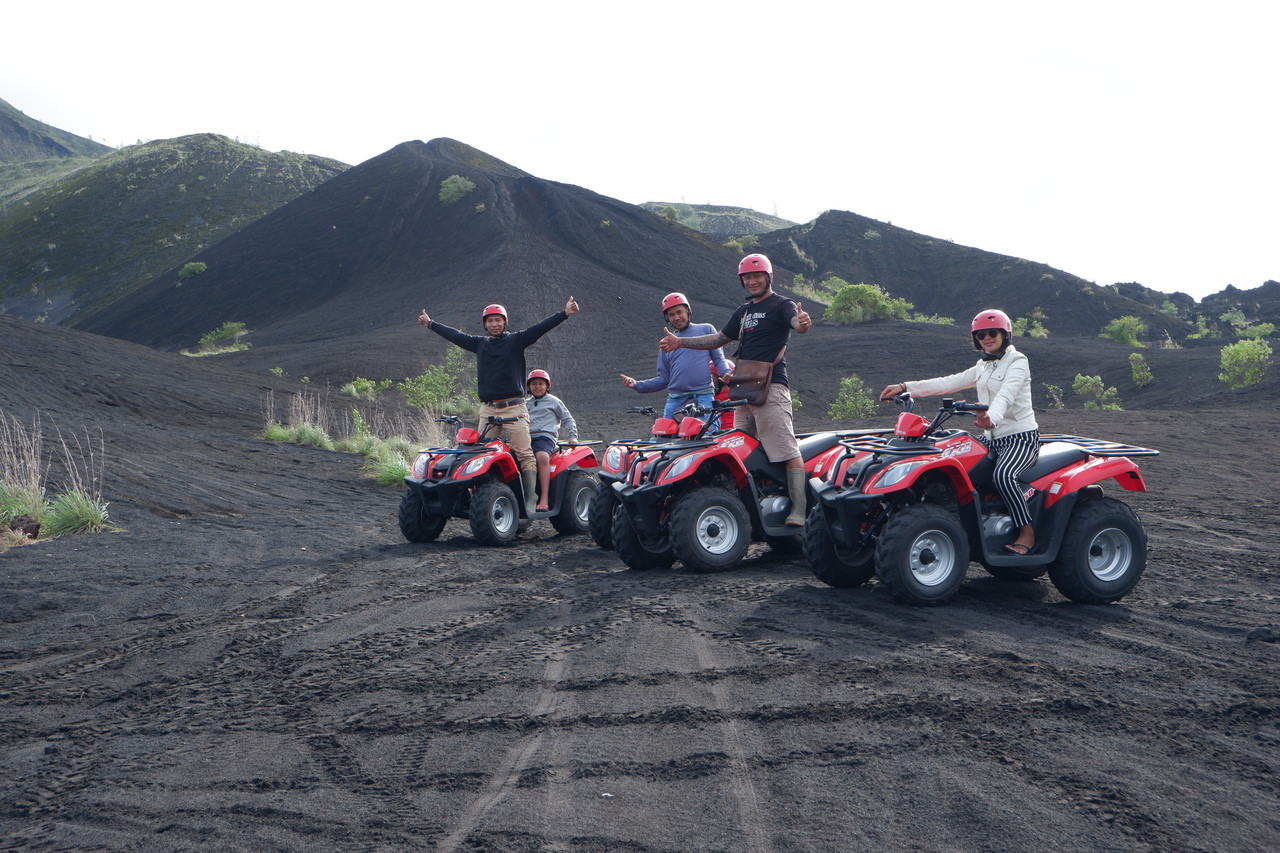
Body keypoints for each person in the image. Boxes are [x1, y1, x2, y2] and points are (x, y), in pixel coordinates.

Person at [659, 254, 813, 526]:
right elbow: (718, 339)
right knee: (741, 448)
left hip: (771, 385)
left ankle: (799, 509)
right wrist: (681, 343)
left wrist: (801, 323)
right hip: (743, 391)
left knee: (786, 447)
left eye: (757, 276)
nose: (752, 281)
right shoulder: (742, 313)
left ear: (769, 277)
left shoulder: (782, 305)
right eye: (747, 278)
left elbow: (796, 324)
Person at [879, 308, 1040, 555]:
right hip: (991, 439)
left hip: (1020, 438)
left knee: (1003, 476)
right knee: (950, 460)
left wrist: (991, 418)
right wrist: (905, 386)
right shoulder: (982, 366)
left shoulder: (1018, 361)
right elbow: (947, 382)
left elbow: (1006, 395)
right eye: (981, 334)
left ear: (1005, 334)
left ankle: (1026, 531)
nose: (987, 337)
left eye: (992, 333)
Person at [418, 297, 580, 514]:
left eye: (498, 320)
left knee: (524, 453)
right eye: (490, 321)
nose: (494, 324)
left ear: (505, 322)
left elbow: (539, 328)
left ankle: (531, 499)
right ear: (485, 324)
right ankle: (486, 496)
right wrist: (431, 324)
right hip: (489, 409)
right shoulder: (479, 344)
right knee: (480, 453)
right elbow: (456, 336)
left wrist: (564, 313)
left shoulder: (516, 340)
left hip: (514, 408)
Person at [620, 292, 729, 422]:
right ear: (667, 318)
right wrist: (637, 385)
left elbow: (718, 359)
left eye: (679, 312)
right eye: (671, 315)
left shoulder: (706, 329)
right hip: (676, 397)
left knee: (708, 432)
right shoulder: (666, 343)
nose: (676, 317)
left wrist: (726, 373)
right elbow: (664, 379)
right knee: (664, 433)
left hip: (703, 394)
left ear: (688, 311)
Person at [524, 369, 578, 512]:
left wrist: (572, 437)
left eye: (540, 383)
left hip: (545, 437)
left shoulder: (554, 401)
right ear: (528, 387)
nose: (537, 387)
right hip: (526, 438)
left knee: (541, 456)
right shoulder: (525, 403)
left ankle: (544, 498)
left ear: (547, 386)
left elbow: (568, 419)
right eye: (534, 384)